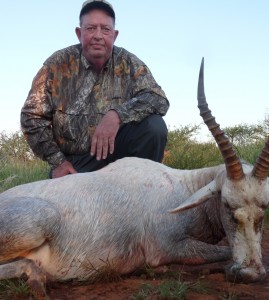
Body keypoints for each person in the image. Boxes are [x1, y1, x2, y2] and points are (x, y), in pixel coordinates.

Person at [21, 0, 169, 179]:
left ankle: (141, 190)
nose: (98, 35)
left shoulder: (129, 63)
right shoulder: (56, 65)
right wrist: (58, 162)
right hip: (76, 163)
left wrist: (117, 115)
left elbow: (158, 99)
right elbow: (31, 117)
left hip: (119, 157)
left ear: (114, 35)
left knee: (154, 127)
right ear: (79, 33)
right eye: (91, 28)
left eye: (105, 29)